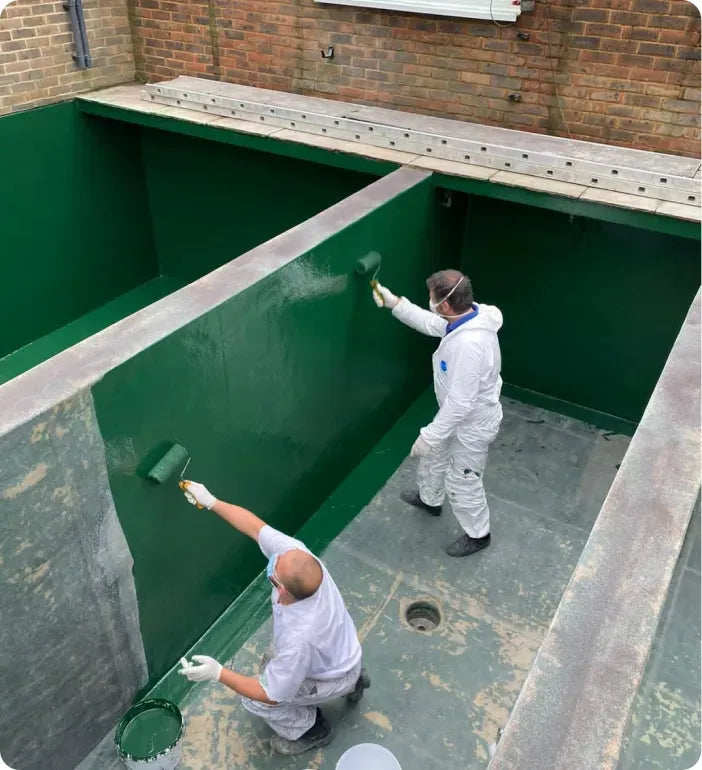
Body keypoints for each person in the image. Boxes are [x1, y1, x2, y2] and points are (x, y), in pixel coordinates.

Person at [176, 480, 370, 756]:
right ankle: (355, 678)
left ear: (282, 588)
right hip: (344, 651)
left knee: (255, 701)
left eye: (274, 570)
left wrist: (218, 673)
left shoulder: (299, 637)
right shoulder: (297, 558)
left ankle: (312, 730)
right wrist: (211, 501)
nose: (273, 558)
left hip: (330, 674)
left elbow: (269, 694)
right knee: (275, 662)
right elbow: (255, 527)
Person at [373, 269, 503, 557]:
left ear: (444, 304)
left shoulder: (469, 345)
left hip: (473, 425)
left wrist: (429, 435)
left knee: (463, 479)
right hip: (456, 416)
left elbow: (461, 403)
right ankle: (430, 500)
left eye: (432, 299)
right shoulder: (467, 318)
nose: (431, 303)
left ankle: (478, 534)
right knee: (435, 458)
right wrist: (395, 303)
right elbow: (432, 323)